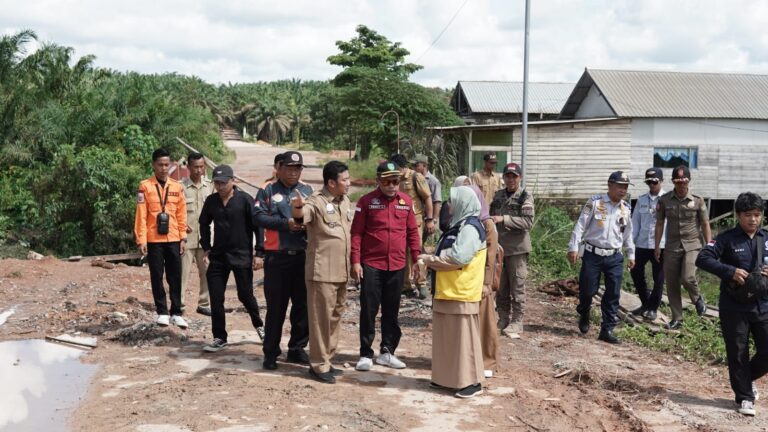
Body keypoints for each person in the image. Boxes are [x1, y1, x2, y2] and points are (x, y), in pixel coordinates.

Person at [696, 192, 768, 417]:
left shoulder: (766, 239)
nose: (753, 220)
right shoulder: (726, 239)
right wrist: (730, 271)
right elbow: (703, 258)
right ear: (738, 215)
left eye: (757, 215)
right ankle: (745, 397)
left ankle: (745, 380)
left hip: (763, 305)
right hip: (734, 306)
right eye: (748, 215)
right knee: (738, 352)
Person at [351, 161, 421, 372]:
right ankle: (365, 354)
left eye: (395, 181)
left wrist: (417, 258)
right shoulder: (366, 202)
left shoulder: (406, 202)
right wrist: (355, 261)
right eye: (387, 181)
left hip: (397, 265)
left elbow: (412, 233)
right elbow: (356, 234)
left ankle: (387, 351)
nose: (392, 186)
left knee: (392, 311)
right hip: (372, 265)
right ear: (378, 181)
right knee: (369, 310)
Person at [420, 186, 487, 398]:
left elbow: (458, 258)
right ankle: (447, 378)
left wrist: (430, 260)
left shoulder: (470, 228)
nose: (448, 205)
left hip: (461, 292)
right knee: (447, 339)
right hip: (448, 291)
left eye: (452, 200)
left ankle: (472, 381)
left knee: (464, 340)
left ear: (463, 203)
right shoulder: (458, 225)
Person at [291, 161, 352, 384]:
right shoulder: (316, 202)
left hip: (342, 271)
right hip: (322, 272)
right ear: (331, 183)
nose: (349, 183)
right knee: (320, 320)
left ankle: (327, 359)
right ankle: (318, 365)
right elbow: (301, 215)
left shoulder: (344, 201)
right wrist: (297, 207)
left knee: (335, 318)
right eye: (344, 180)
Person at [253, 151, 313, 370]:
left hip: (303, 257)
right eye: (289, 168)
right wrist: (285, 223)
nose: (293, 172)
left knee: (302, 308)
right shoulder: (268, 189)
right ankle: (271, 352)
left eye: (297, 169)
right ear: (279, 168)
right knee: (276, 308)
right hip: (277, 259)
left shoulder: (307, 190)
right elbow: (258, 217)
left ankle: (297, 349)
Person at [199, 165, 265, 352]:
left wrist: (259, 252)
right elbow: (203, 223)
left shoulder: (245, 200)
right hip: (218, 257)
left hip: (241, 255)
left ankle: (260, 326)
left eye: (223, 182)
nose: (220, 186)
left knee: (245, 295)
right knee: (216, 297)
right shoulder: (211, 201)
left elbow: (258, 227)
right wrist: (206, 247)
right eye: (217, 183)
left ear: (232, 180)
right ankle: (220, 337)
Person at [567, 171, 635, 344]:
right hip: (592, 254)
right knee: (588, 290)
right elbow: (580, 225)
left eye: (625, 187)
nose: (623, 190)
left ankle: (607, 329)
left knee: (613, 293)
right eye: (620, 186)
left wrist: (631, 254)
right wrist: (573, 247)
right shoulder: (595, 202)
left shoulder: (625, 208)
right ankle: (584, 311)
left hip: (615, 256)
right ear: (610, 185)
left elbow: (628, 234)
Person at [134, 148, 188, 328]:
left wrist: (183, 237)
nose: (164, 168)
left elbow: (181, 214)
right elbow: (141, 215)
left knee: (175, 276)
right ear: (153, 165)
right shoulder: (145, 186)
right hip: (154, 239)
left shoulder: (177, 186)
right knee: (156, 275)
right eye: (160, 165)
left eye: (167, 164)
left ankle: (177, 312)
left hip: (173, 237)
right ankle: (162, 312)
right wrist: (141, 239)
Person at [655, 165, 712, 330]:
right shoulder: (664, 200)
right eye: (678, 181)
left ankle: (697, 299)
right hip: (672, 245)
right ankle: (677, 318)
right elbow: (659, 223)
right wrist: (657, 245)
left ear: (688, 181)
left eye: (684, 181)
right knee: (672, 283)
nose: (681, 185)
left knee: (687, 277)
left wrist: (710, 246)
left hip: (693, 244)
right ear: (673, 181)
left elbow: (705, 223)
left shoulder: (697, 200)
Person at [489, 162, 534, 335]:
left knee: (517, 285)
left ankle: (517, 321)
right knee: (500, 286)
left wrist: (504, 219)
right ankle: (503, 318)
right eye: (508, 176)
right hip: (500, 249)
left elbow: (528, 222)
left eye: (514, 176)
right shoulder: (498, 195)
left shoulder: (525, 197)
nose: (510, 180)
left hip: (517, 249)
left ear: (520, 177)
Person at [390, 154, 433, 299]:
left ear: (402, 167)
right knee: (402, 252)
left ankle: (421, 284)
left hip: (416, 220)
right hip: (398, 220)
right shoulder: (394, 179)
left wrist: (430, 219)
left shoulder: (416, 177)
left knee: (416, 251)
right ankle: (406, 286)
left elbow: (427, 197)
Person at [629, 167, 666, 321]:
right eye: (649, 182)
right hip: (643, 243)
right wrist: (630, 243)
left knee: (659, 277)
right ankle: (645, 302)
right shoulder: (642, 200)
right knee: (635, 271)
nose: (651, 185)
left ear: (661, 181)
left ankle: (653, 308)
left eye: (654, 182)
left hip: (662, 244)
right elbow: (635, 223)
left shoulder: (668, 200)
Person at [180, 152, 214, 316]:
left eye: (201, 167)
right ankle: (178, 304)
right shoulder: (180, 187)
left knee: (207, 272)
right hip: (186, 239)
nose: (199, 170)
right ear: (188, 167)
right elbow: (174, 210)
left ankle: (204, 303)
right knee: (182, 273)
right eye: (195, 167)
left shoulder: (211, 186)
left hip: (206, 239)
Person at [412, 154, 443, 240]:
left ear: (424, 166)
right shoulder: (413, 178)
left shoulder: (433, 181)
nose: (413, 168)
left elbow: (437, 201)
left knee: (419, 241)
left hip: (427, 218)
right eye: (413, 165)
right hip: (416, 216)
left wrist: (433, 220)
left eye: (416, 165)